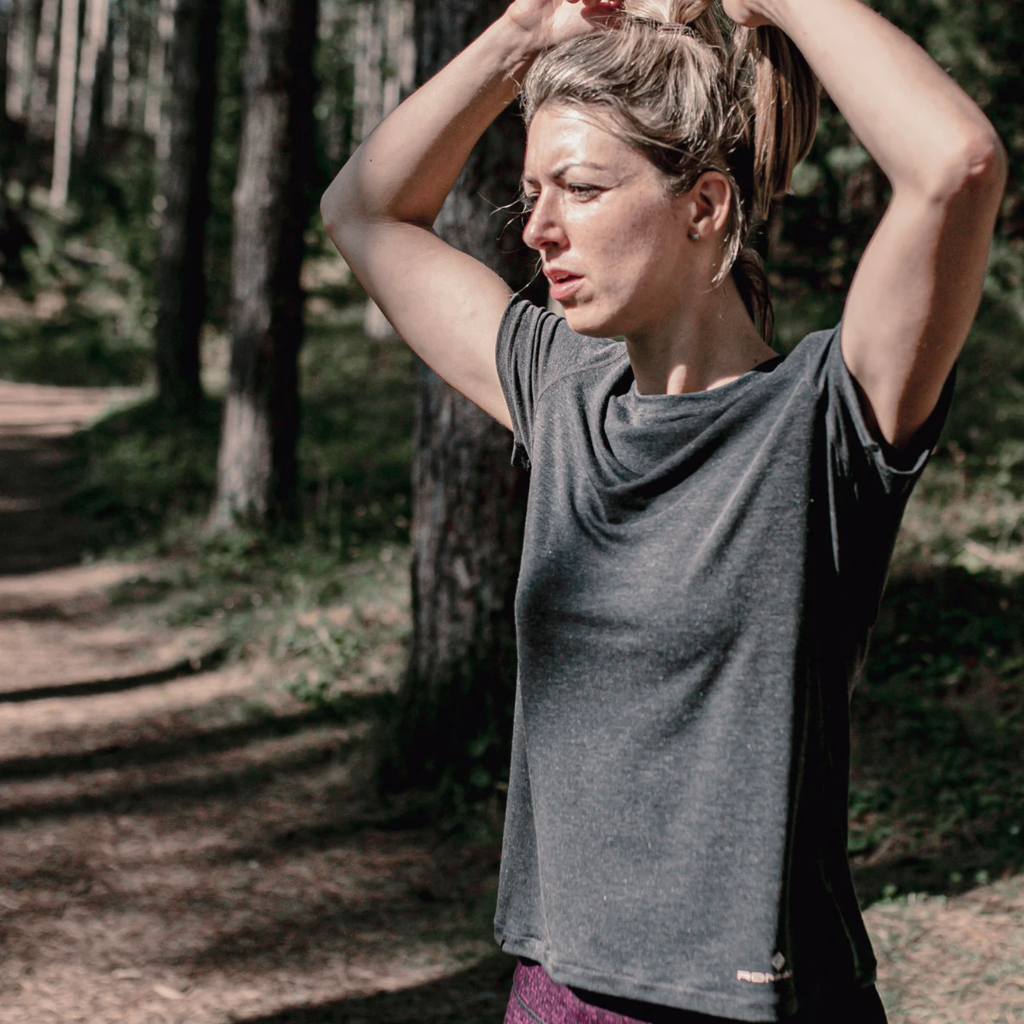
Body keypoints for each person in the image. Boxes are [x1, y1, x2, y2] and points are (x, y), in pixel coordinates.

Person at [321, 0, 1007, 1020]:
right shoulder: (560, 388)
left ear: (704, 206)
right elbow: (363, 212)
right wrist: (523, 34)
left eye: (581, 188)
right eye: (532, 195)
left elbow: (956, 164)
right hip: (556, 992)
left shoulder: (825, 420)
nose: (539, 229)